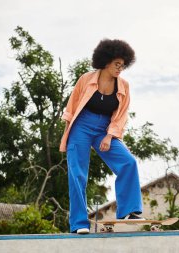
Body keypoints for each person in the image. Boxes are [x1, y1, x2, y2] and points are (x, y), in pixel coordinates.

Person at [59, 39, 144, 234]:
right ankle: (79, 224)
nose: (120, 69)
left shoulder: (123, 86)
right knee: (77, 174)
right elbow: (71, 108)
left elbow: (121, 115)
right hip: (81, 126)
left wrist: (109, 136)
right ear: (106, 61)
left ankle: (128, 211)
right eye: (117, 64)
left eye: (123, 66)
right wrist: (69, 136)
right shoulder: (86, 79)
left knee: (128, 162)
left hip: (105, 128)